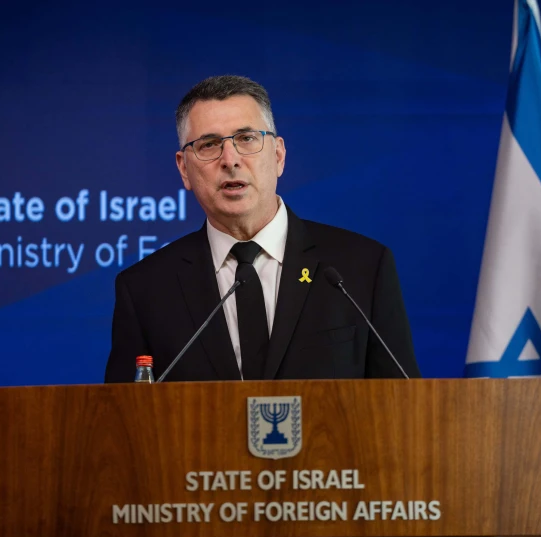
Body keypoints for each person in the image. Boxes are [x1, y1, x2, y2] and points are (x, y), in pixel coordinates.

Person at [104, 75, 421, 382]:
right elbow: (122, 423)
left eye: (246, 139)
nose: (230, 159)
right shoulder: (146, 291)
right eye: (209, 145)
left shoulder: (360, 269)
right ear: (184, 169)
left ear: (279, 155)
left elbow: (404, 407)